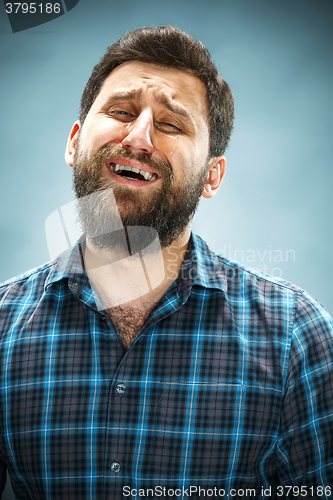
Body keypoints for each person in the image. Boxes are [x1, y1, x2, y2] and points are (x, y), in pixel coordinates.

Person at [0, 26, 332, 500]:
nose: (137, 138)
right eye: (120, 112)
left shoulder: (296, 336)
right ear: (74, 143)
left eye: (171, 124)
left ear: (212, 176)